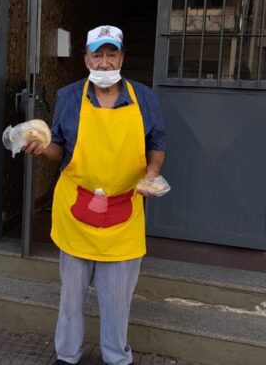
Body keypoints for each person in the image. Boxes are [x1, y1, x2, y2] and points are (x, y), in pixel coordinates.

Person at [24, 25, 167, 365]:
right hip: (77, 211)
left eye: (111, 54)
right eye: (97, 55)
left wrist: (152, 173)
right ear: (86, 58)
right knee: (71, 298)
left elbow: (157, 145)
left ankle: (117, 357)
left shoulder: (144, 98)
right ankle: (66, 355)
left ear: (122, 57)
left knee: (117, 300)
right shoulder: (69, 96)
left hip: (123, 212)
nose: (104, 63)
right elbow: (60, 149)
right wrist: (44, 150)